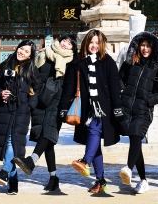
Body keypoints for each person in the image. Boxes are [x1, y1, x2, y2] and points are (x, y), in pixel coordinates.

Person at [58, 29, 124, 194]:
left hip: (104, 108)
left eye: (97, 43)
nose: (94, 46)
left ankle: (85, 160)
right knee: (94, 144)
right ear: (86, 43)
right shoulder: (77, 63)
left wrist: (117, 107)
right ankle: (101, 180)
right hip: (85, 108)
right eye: (91, 42)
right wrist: (64, 106)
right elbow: (69, 86)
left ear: (101, 45)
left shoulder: (107, 62)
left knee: (94, 131)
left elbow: (115, 86)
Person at [13, 35, 78, 192]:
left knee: (49, 132)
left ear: (73, 48)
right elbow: (33, 74)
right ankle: (53, 178)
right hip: (40, 99)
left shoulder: (72, 62)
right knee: (46, 139)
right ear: (59, 40)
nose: (66, 44)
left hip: (58, 101)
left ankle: (31, 161)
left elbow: (70, 85)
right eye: (64, 41)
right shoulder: (43, 54)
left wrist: (64, 105)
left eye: (70, 44)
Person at [118, 31, 158, 194]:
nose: (145, 48)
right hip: (127, 109)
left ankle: (128, 168)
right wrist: (122, 90)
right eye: (143, 45)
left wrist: (148, 100)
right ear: (138, 46)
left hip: (143, 111)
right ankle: (143, 180)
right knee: (136, 143)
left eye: (149, 46)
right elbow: (120, 79)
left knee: (135, 136)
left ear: (154, 48)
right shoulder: (129, 63)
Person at [0, 40, 40, 195]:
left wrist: (29, 105)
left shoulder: (32, 69)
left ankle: (5, 172)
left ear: (30, 56)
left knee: (13, 142)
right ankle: (13, 182)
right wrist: (0, 92)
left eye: (26, 52)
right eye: (21, 49)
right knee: (6, 142)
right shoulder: (5, 65)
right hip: (5, 108)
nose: (22, 52)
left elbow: (37, 91)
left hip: (22, 109)